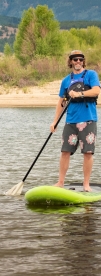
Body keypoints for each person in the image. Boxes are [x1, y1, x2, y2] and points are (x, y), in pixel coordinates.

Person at [50, 50, 100, 192]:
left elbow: (96, 91)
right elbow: (61, 101)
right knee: (65, 151)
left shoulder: (91, 75)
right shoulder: (66, 80)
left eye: (80, 59)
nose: (78, 62)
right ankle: (60, 182)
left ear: (83, 61)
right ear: (70, 61)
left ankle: (86, 185)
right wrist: (54, 122)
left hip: (88, 120)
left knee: (88, 152)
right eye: (75, 59)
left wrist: (79, 94)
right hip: (70, 121)